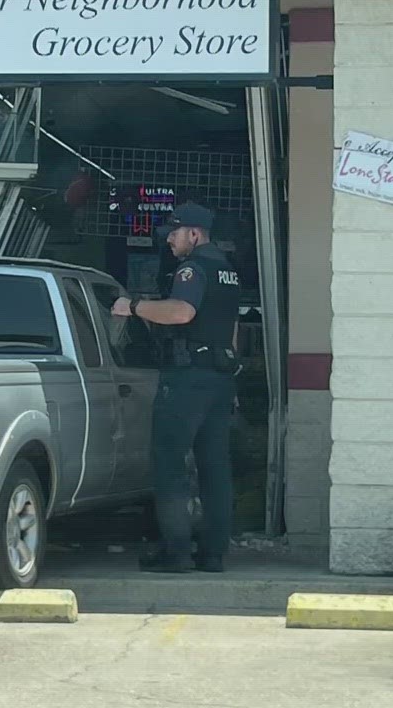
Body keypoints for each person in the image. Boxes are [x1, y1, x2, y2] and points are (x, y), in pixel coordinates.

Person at [111, 201, 242, 574]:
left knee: (169, 465)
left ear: (195, 234)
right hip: (219, 377)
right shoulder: (227, 271)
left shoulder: (193, 269)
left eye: (175, 232)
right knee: (215, 466)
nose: (169, 239)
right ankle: (213, 554)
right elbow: (232, 330)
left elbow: (182, 312)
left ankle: (176, 552)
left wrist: (131, 306)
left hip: (188, 379)